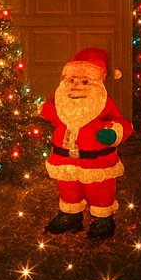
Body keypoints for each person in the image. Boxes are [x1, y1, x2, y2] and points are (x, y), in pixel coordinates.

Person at [39, 47, 131, 240]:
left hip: (96, 162)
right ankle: (70, 215)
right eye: (72, 80)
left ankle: (102, 218)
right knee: (68, 188)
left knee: (100, 189)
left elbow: (122, 123)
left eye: (84, 81)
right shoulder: (62, 102)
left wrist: (113, 132)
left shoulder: (102, 102)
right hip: (65, 161)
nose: (76, 86)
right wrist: (42, 109)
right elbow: (51, 112)